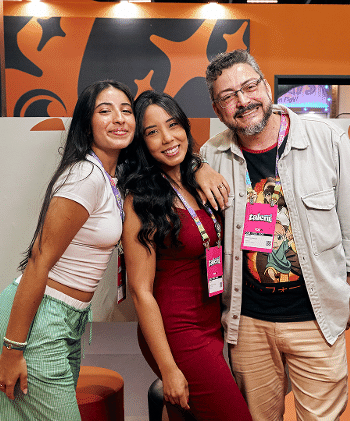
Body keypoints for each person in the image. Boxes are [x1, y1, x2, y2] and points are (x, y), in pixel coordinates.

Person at [200, 49, 350, 421]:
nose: (243, 101)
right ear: (217, 108)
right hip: (249, 325)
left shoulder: (326, 140)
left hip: (316, 319)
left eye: (249, 87)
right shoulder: (211, 157)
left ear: (266, 86)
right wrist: (195, 167)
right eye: (228, 96)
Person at [0, 80, 136, 420]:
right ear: (86, 123)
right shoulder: (85, 175)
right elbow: (39, 259)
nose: (119, 118)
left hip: (66, 320)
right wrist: (11, 350)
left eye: (126, 110)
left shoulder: (111, 177)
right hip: (37, 323)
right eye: (105, 110)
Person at [121, 90, 252, 421]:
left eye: (173, 124)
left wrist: (200, 163)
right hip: (177, 330)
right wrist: (168, 369)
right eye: (152, 132)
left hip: (211, 323)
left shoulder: (197, 181)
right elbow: (140, 291)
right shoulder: (141, 199)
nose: (167, 138)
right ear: (141, 142)